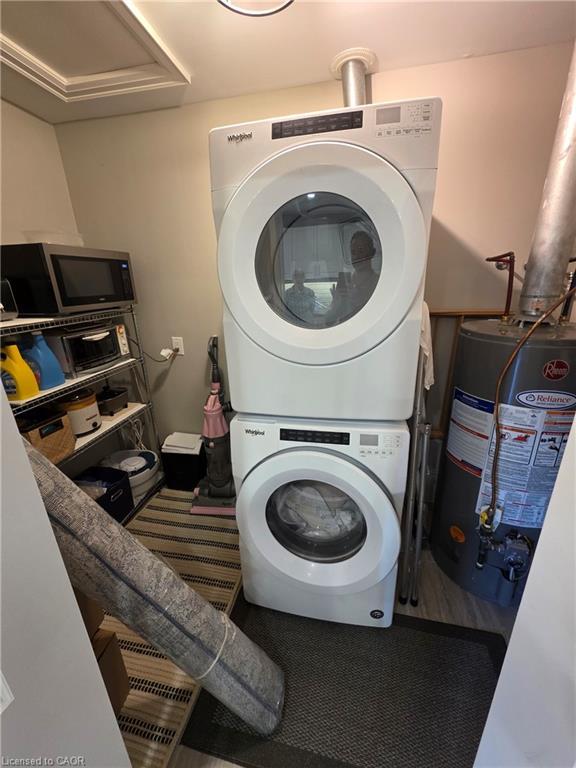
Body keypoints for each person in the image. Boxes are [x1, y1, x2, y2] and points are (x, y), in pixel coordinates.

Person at [325, 231, 379, 325]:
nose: (356, 256)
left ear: (372, 253)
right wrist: (335, 306)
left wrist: (359, 302)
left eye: (361, 251)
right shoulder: (346, 282)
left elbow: (381, 319)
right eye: (353, 252)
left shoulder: (378, 282)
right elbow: (328, 323)